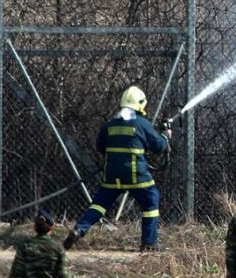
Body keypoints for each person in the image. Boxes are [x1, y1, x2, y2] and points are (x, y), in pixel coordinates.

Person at [64, 85, 171, 251]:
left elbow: (100, 146)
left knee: (99, 204)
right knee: (150, 203)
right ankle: (149, 244)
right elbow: (158, 147)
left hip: (112, 175)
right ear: (141, 104)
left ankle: (79, 229)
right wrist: (166, 135)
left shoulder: (110, 124)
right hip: (137, 176)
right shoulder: (143, 124)